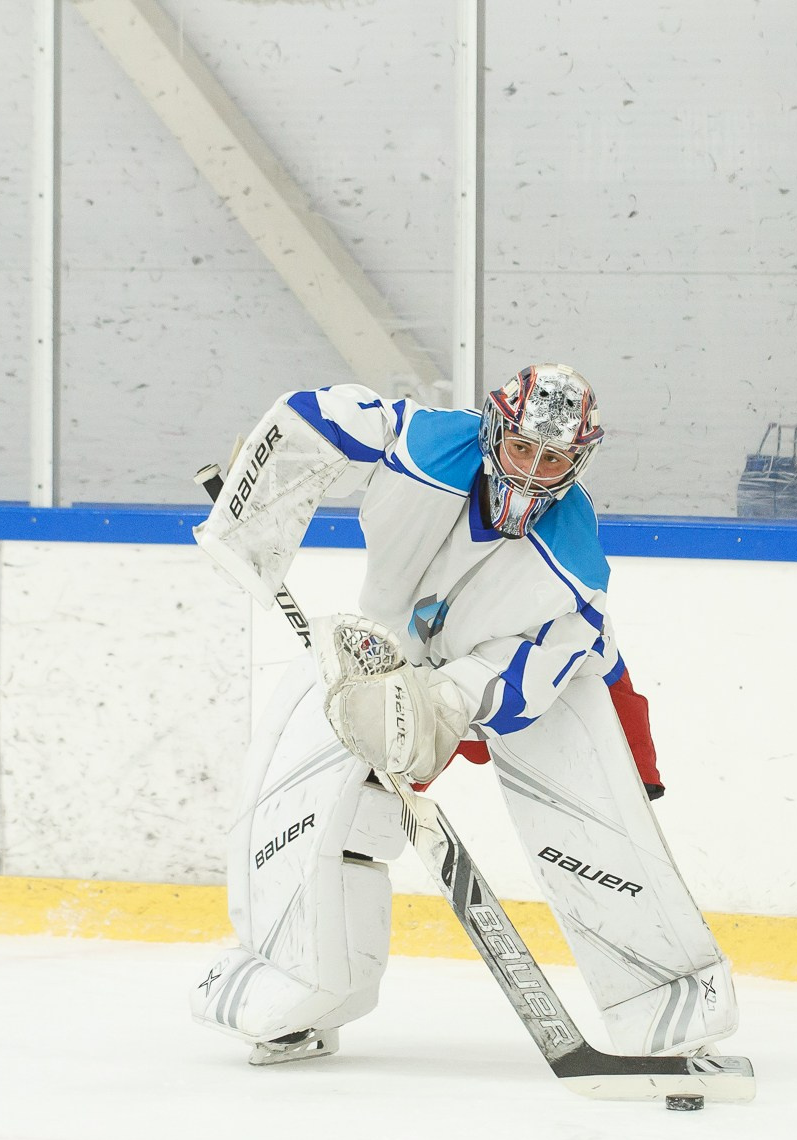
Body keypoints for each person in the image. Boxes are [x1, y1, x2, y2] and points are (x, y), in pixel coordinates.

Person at [190, 364, 738, 1066]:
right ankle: (300, 984)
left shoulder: (571, 565)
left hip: (546, 677)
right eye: (522, 451)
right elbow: (317, 414)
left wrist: (441, 709)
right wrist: (254, 512)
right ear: (493, 433)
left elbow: (542, 664)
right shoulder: (424, 445)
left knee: (595, 814)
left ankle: (667, 995)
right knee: (313, 789)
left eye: (557, 458)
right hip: (392, 649)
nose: (536, 474)